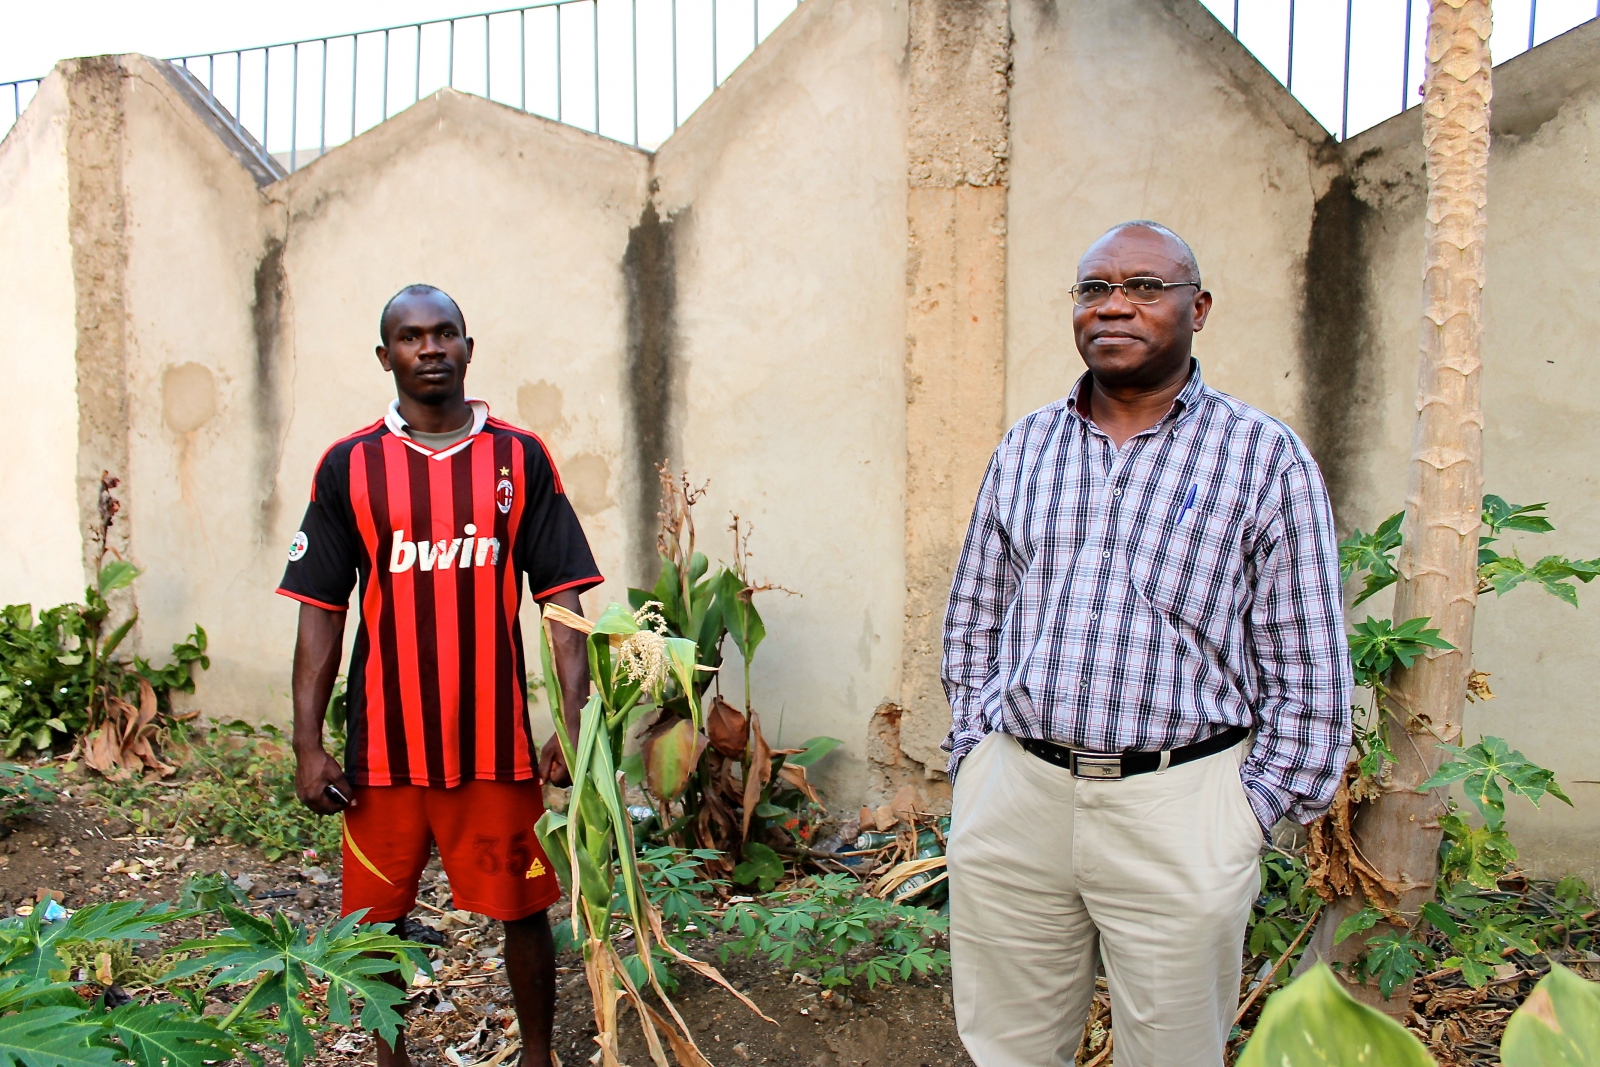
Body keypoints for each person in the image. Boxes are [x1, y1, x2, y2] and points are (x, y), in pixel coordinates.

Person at [941, 222, 1352, 1067]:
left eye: (1144, 286)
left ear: (1196, 309)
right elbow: (975, 612)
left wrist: (1249, 811)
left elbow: (1308, 660)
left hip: (1183, 809)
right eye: (1095, 289)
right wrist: (975, 756)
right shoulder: (1026, 446)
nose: (1115, 305)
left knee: (1172, 1054)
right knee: (1006, 1049)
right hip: (1018, 797)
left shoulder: (1262, 456)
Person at [280, 284, 602, 1067]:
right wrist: (307, 743)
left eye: (444, 333)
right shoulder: (348, 465)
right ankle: (391, 1060)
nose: (429, 348)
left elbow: (561, 601)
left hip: (494, 746)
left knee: (524, 906)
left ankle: (535, 1056)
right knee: (374, 924)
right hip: (384, 755)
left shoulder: (519, 457)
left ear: (467, 347)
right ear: (385, 354)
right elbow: (322, 610)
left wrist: (573, 719)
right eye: (411, 336)